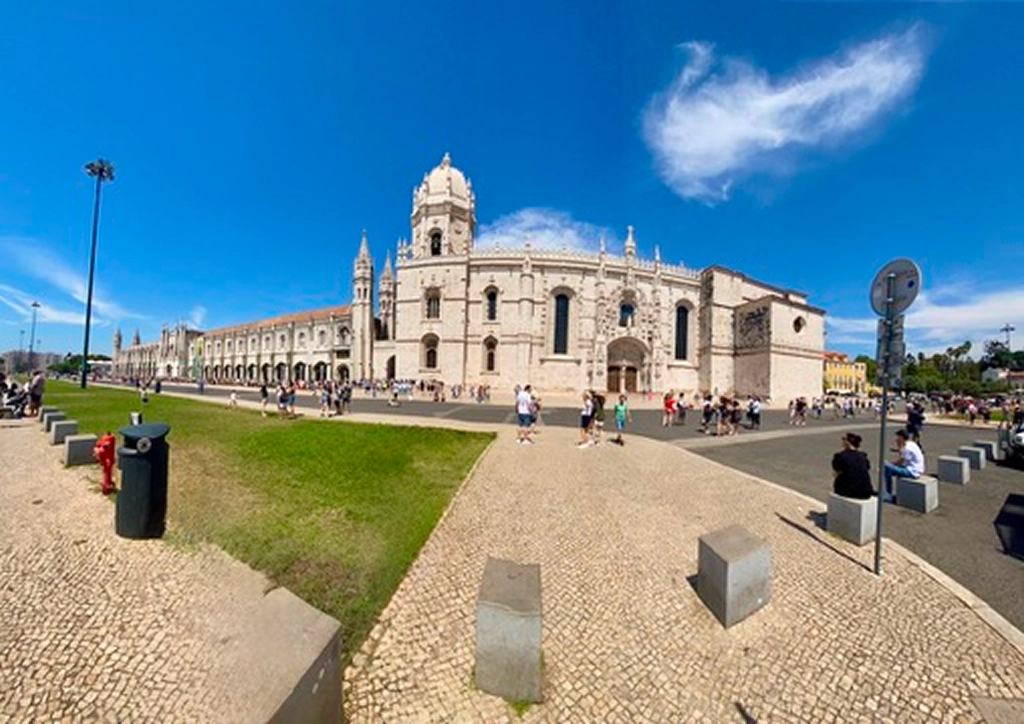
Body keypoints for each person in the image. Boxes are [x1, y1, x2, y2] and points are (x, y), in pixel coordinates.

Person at [882, 429, 925, 503]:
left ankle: (889, 494)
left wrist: (888, 464)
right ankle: (889, 493)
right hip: (915, 468)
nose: (896, 439)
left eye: (898, 437)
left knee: (886, 467)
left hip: (913, 472)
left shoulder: (907, 448)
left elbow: (900, 462)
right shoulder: (911, 443)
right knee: (888, 471)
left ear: (902, 437)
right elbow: (902, 458)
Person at [831, 432, 873, 499]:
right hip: (866, 492)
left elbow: (835, 474)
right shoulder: (863, 456)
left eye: (844, 439)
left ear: (847, 442)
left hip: (849, 491)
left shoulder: (840, 456)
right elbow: (866, 469)